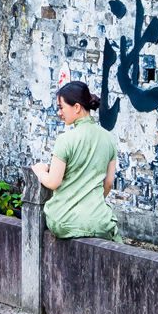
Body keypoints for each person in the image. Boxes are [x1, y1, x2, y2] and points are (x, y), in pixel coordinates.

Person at [31, 81, 120, 240]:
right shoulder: (109, 139)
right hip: (99, 221)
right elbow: (108, 183)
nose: (59, 113)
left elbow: (53, 182)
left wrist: (39, 171)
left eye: (61, 107)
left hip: (65, 220)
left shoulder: (65, 140)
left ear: (77, 107)